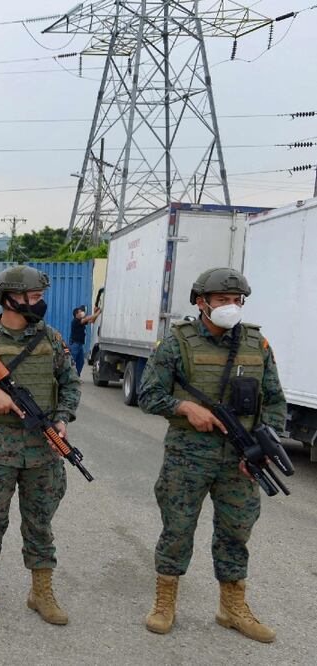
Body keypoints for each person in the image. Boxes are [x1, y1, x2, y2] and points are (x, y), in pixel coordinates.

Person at [137, 267, 286, 643]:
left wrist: (262, 448)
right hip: (189, 456)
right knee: (177, 529)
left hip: (241, 458)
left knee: (236, 531)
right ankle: (164, 602)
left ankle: (232, 608)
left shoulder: (256, 344)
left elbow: (275, 401)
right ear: (201, 302)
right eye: (222, 300)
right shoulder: (177, 342)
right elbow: (149, 395)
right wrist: (185, 408)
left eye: (237, 301)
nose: (231, 307)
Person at [0, 265, 80, 625]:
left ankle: (41, 593)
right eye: (34, 297)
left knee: (40, 523)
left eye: (40, 297)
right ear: (10, 298)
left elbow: (70, 385)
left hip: (43, 451)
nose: (40, 304)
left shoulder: (51, 339)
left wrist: (63, 418)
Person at [68, 304, 101, 377]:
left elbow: (92, 320)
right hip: (75, 345)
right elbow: (88, 318)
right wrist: (98, 312)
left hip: (79, 345)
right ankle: (69, 378)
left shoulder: (81, 320)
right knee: (72, 362)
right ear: (77, 314)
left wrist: (96, 313)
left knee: (81, 361)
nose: (82, 313)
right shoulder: (75, 321)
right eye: (80, 312)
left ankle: (76, 376)